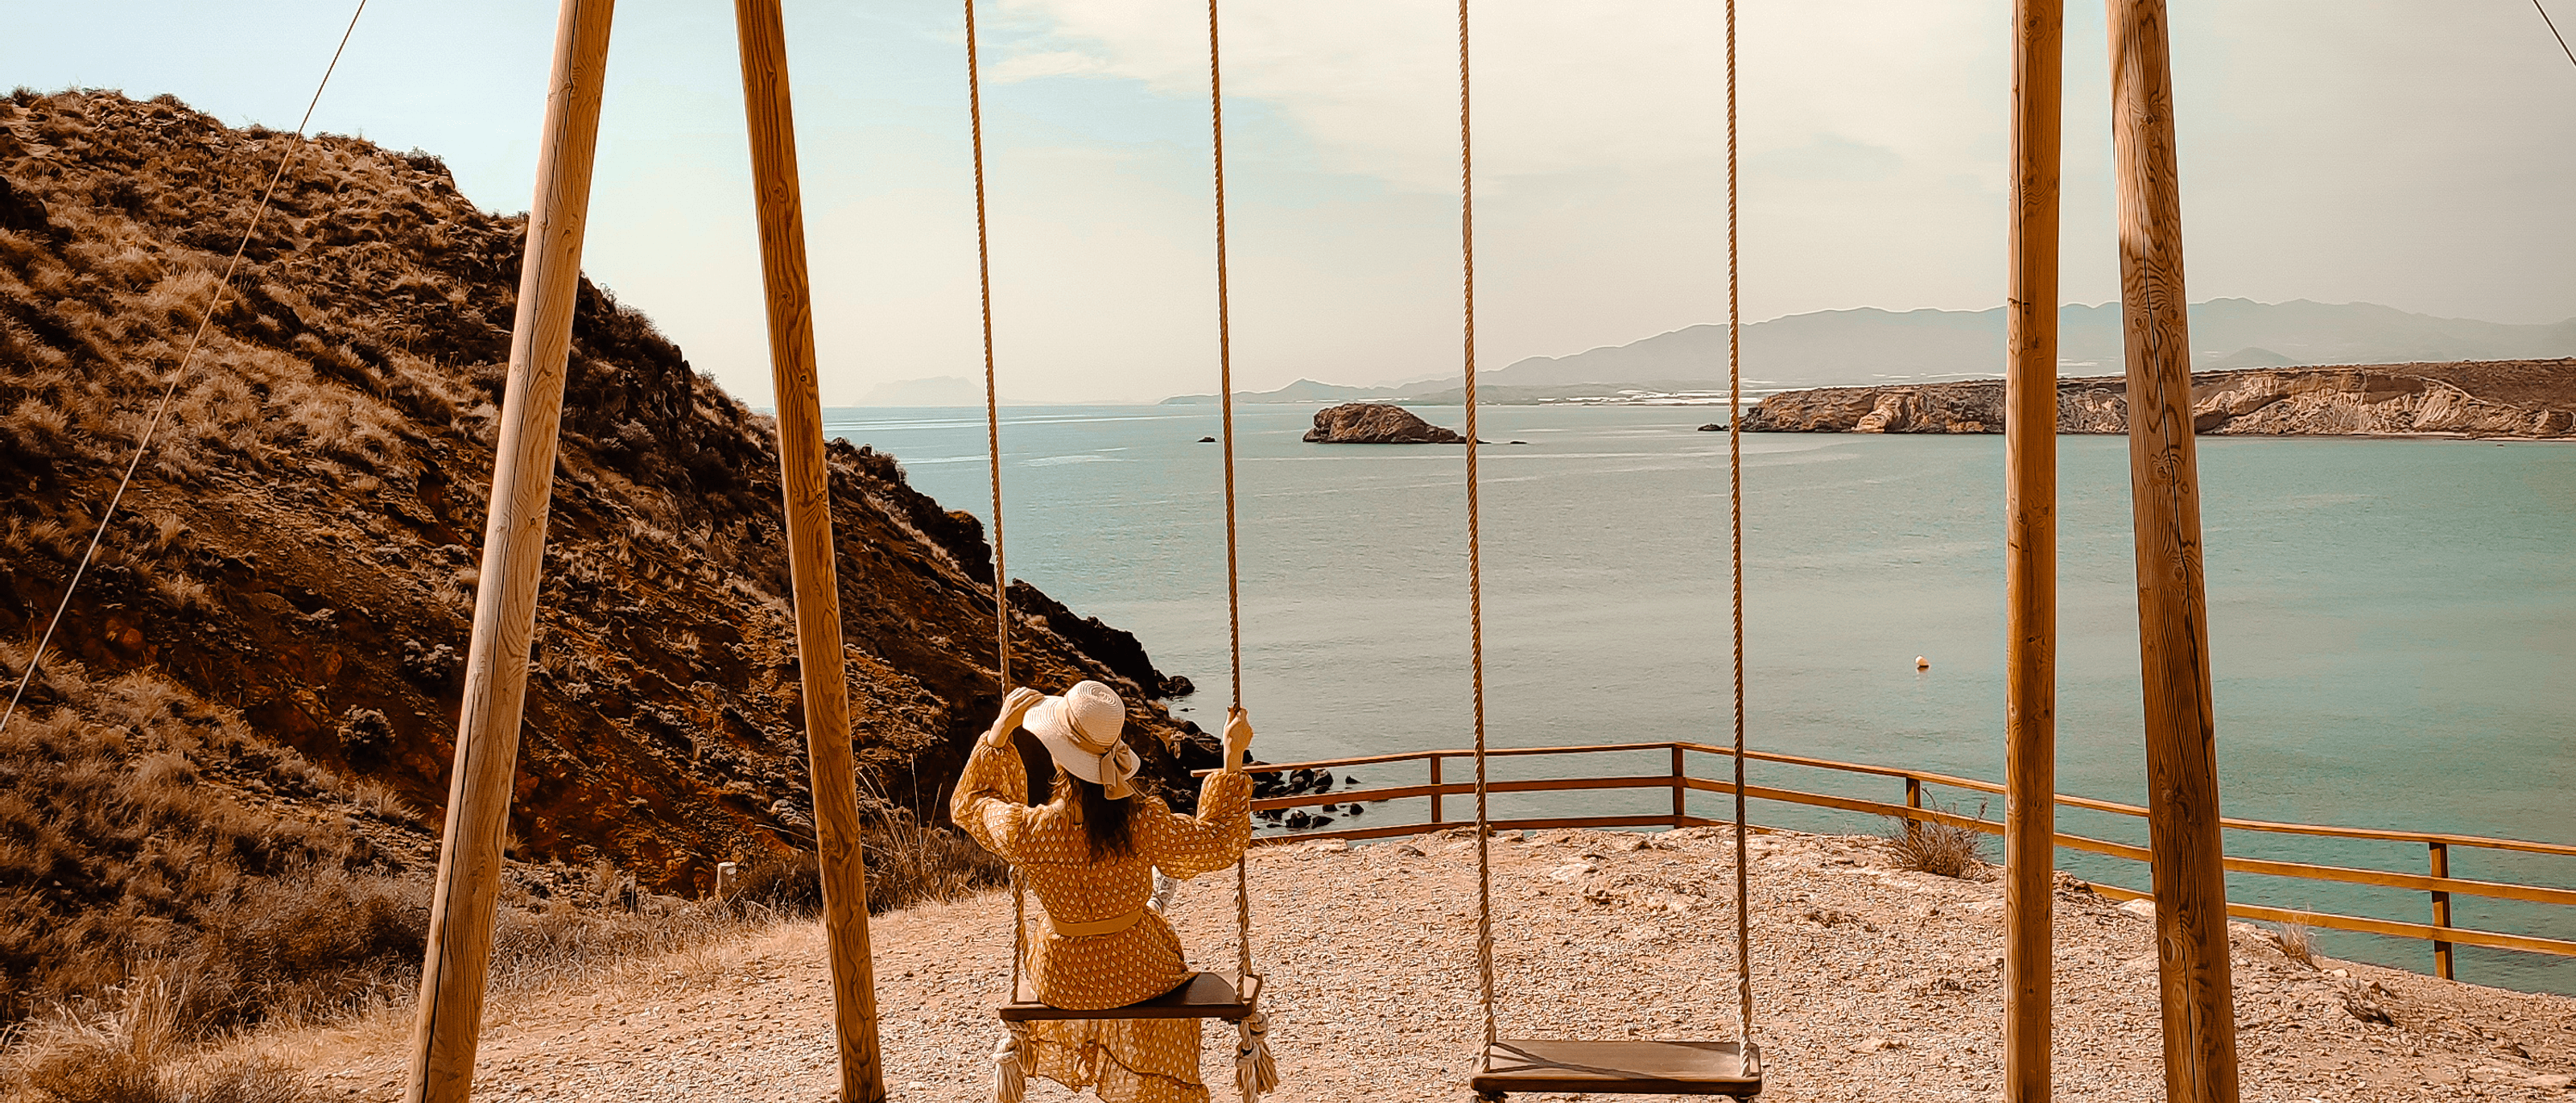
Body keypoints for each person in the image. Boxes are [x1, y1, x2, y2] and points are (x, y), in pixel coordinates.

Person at [952, 679, 1257, 1103]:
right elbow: (1218, 841)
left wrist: (998, 735)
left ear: (1059, 759)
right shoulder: (1140, 822)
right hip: (1142, 973)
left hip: (1062, 979)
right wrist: (1232, 758)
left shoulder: (1030, 831)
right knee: (1155, 931)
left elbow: (971, 805)